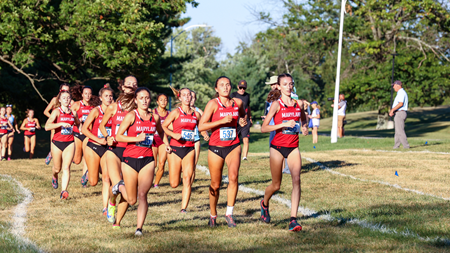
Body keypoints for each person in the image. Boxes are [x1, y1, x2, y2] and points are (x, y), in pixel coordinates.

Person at [115, 87, 169, 236]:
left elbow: (161, 131)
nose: (144, 101)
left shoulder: (154, 117)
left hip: (147, 159)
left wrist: (166, 144)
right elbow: (119, 136)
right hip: (130, 159)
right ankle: (119, 187)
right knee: (132, 200)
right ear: (135, 100)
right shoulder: (131, 116)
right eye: (141, 98)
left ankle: (139, 228)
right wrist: (136, 139)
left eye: (147, 98)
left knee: (143, 194)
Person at [260, 73, 308, 232]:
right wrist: (282, 125)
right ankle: (264, 203)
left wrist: (305, 126)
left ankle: (293, 220)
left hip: (293, 146)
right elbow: (264, 128)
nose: (289, 86)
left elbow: (302, 117)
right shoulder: (276, 104)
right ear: (279, 87)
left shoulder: (297, 103)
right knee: (276, 185)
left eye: (291, 84)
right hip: (277, 147)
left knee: (296, 180)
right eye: (285, 84)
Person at [198, 76, 247, 228]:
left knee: (233, 177)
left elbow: (242, 115)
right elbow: (201, 126)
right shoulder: (213, 104)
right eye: (222, 85)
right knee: (215, 184)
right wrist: (220, 121)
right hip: (216, 147)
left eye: (228, 85)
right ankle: (213, 215)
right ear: (216, 89)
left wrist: (241, 120)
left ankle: (229, 214)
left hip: (233, 145)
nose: (225, 87)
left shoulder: (237, 102)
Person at [100, 76, 138, 226]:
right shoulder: (114, 107)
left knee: (127, 188)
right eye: (128, 84)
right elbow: (102, 126)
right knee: (118, 184)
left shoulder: (138, 109)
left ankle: (118, 222)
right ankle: (112, 201)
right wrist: (108, 136)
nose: (131, 87)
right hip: (114, 149)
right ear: (122, 87)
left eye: (134, 85)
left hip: (131, 151)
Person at [162, 88, 201, 213]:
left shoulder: (196, 114)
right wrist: (173, 136)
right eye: (184, 95)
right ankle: (175, 174)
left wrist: (206, 132)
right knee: (174, 183)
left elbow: (203, 126)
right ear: (180, 98)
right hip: (175, 149)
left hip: (190, 148)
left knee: (187, 178)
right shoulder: (175, 113)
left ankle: (183, 208)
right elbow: (164, 126)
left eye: (189, 95)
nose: (187, 97)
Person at [82, 84, 114, 215]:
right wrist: (98, 139)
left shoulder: (115, 111)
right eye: (106, 96)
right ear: (101, 98)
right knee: (93, 182)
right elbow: (84, 129)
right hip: (94, 146)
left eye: (111, 96)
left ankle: (105, 207)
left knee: (106, 178)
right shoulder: (96, 111)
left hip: (108, 148)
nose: (109, 98)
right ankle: (89, 171)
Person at [44, 90, 80, 199]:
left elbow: (78, 123)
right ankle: (54, 175)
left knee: (66, 167)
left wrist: (81, 129)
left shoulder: (73, 113)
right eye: (64, 98)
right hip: (57, 143)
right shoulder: (56, 112)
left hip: (69, 142)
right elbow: (47, 127)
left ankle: (64, 191)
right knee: (57, 168)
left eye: (68, 98)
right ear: (59, 100)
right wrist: (60, 124)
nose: (66, 100)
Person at [70, 85, 95, 187]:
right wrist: (77, 121)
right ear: (82, 94)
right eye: (86, 93)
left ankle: (84, 178)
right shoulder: (76, 105)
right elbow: (69, 118)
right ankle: (67, 155)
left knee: (87, 157)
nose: (88, 95)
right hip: (77, 133)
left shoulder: (93, 107)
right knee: (77, 160)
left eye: (89, 93)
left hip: (87, 134)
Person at [44, 83, 71, 165]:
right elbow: (45, 111)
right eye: (64, 90)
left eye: (67, 90)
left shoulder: (70, 101)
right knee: (54, 137)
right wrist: (55, 120)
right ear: (60, 91)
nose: (65, 92)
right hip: (56, 124)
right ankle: (51, 152)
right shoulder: (54, 99)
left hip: (66, 125)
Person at [230, 80, 252, 161]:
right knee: (235, 139)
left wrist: (250, 118)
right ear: (237, 87)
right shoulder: (233, 95)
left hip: (245, 120)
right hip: (236, 121)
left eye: (244, 88)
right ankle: (234, 154)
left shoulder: (247, 96)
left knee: (246, 139)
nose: (242, 89)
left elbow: (248, 107)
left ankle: (244, 157)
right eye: (240, 87)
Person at [152, 93, 169, 189]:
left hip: (163, 141)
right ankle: (147, 181)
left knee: (161, 163)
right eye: (161, 100)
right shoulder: (152, 112)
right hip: (153, 141)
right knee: (153, 164)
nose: (163, 101)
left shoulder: (170, 114)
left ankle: (156, 184)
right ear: (157, 102)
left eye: (165, 99)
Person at [190, 90, 209, 167]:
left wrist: (205, 134)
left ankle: (191, 179)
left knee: (193, 165)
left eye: (193, 97)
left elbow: (205, 125)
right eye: (190, 97)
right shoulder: (178, 111)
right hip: (183, 141)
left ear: (195, 99)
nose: (191, 99)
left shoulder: (199, 111)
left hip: (195, 140)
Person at [389, 80, 410, 149]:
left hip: (400, 113)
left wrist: (392, 110)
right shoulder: (400, 93)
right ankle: (396, 146)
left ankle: (406, 146)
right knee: (398, 131)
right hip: (399, 113)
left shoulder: (401, 93)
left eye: (394, 86)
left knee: (400, 131)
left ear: (398, 86)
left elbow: (401, 103)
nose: (393, 87)